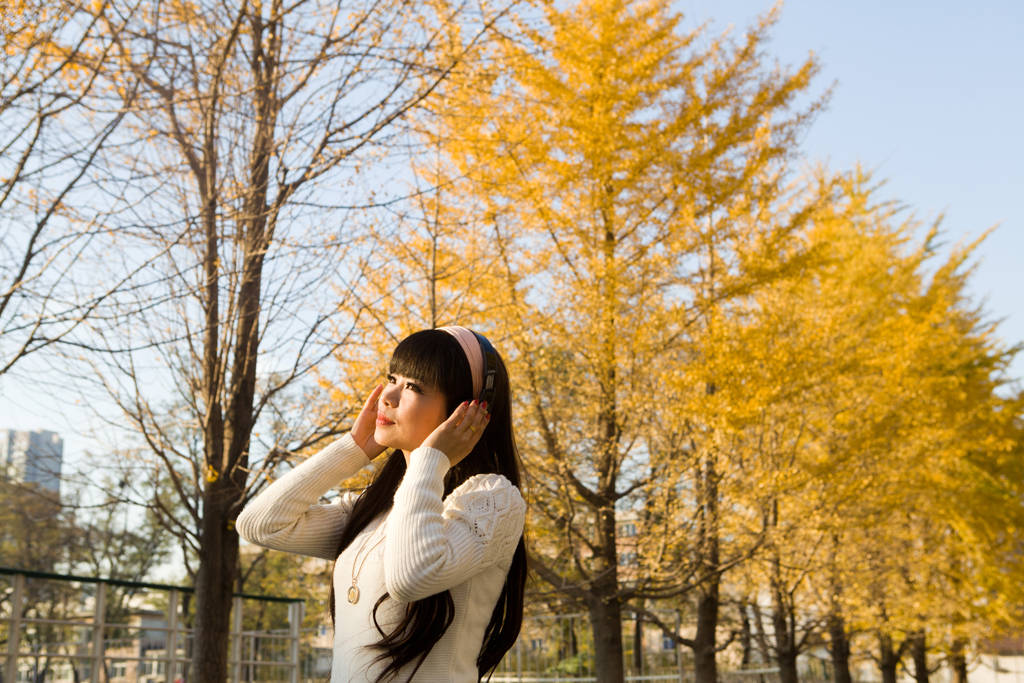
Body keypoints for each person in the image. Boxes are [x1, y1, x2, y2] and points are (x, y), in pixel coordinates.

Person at [236, 327, 527, 682]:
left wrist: (432, 458)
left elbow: (411, 577)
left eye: (413, 387)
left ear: (466, 411)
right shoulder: (376, 508)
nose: (387, 395)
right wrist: (353, 448)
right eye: (392, 378)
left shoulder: (492, 499)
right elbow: (259, 524)